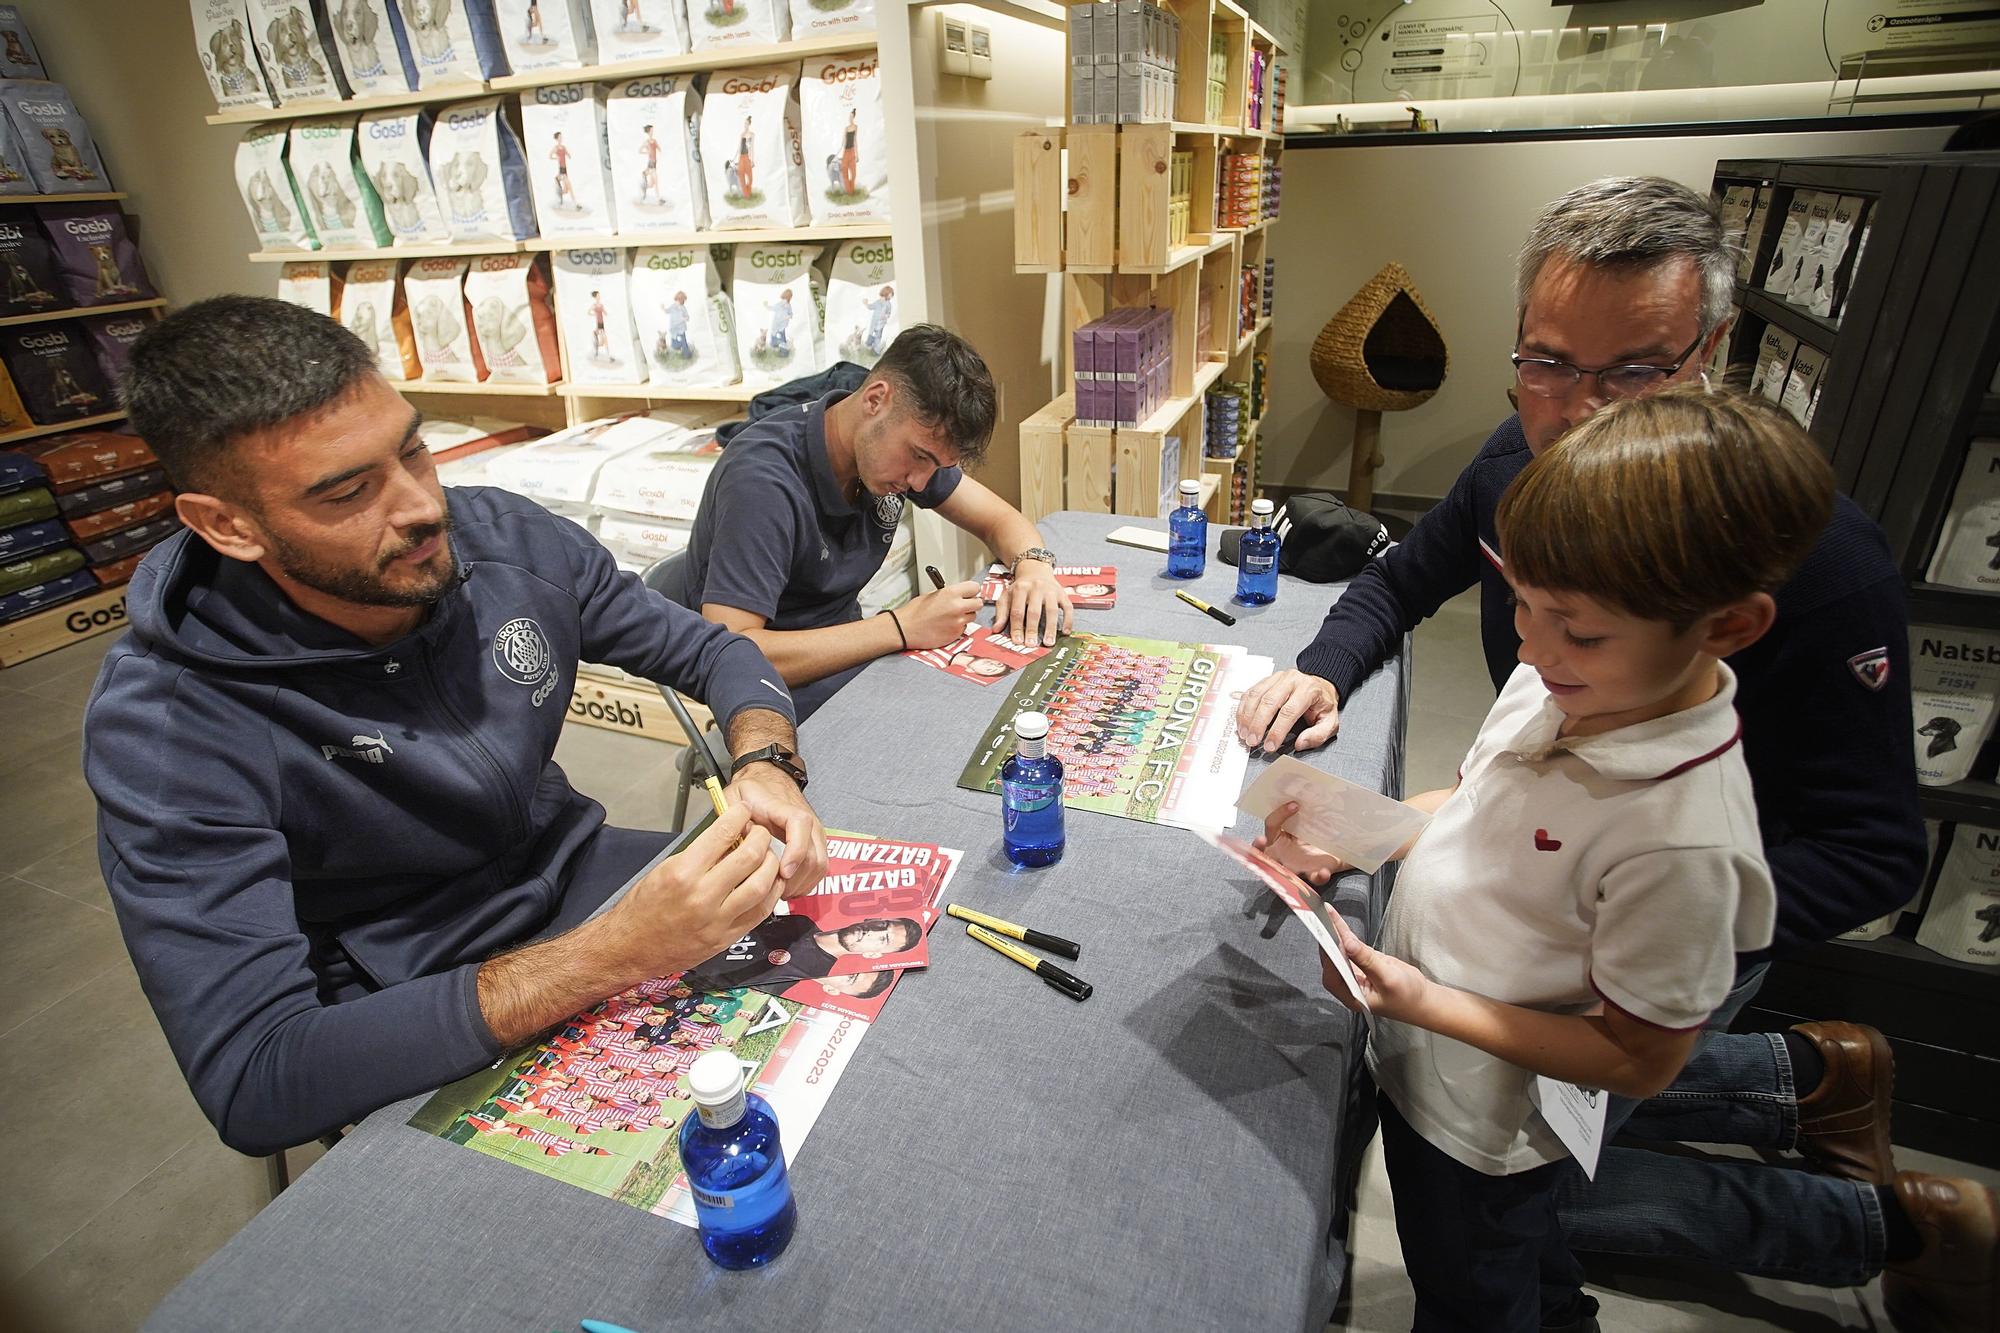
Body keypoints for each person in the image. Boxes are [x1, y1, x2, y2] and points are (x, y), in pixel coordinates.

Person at [1234, 176, 1992, 1328]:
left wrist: (1624, 915)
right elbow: (1420, 614)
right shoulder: (1527, 500)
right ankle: (1807, 1081)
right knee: (1495, 1166)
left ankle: (1879, 1226)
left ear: (1707, 353)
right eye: (1545, 363)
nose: (1575, 410)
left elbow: (1858, 861)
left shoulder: (1824, 577)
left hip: (1636, 933)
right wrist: (1377, 781)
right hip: (1532, 933)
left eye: (1629, 372)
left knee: (1527, 1198)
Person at [83, 297, 828, 1158]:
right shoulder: (168, 729)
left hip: (582, 877)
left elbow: (716, 651)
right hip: (403, 989)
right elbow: (256, 1078)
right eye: (348, 490)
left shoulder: (502, 540)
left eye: (412, 450)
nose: (422, 507)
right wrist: (610, 954)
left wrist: (766, 760)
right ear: (227, 525)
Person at [1262, 387, 1822, 1329]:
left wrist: (1421, 1000)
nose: (1529, 641)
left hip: (1484, 1125)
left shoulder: (1682, 838)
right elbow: (1475, 802)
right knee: (1512, 1261)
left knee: (1472, 1283)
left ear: (1727, 627)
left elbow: (1639, 1059)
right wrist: (1361, 830)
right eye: (1520, 602)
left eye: (1580, 628)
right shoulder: (1563, 677)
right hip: (1429, 1062)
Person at [678, 324, 1075, 719]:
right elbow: (732, 654)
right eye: (919, 456)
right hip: (771, 691)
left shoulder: (898, 450)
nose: (921, 483)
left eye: (936, 466)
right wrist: (900, 627)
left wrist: (1035, 569)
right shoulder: (762, 482)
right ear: (875, 400)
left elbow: (999, 519)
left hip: (853, 655)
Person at [683, 915, 922, 992]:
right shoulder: (802, 921)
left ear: (873, 955)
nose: (872, 932)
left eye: (882, 939)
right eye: (882, 925)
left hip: (684, 971)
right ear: (873, 918)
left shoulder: (810, 973)